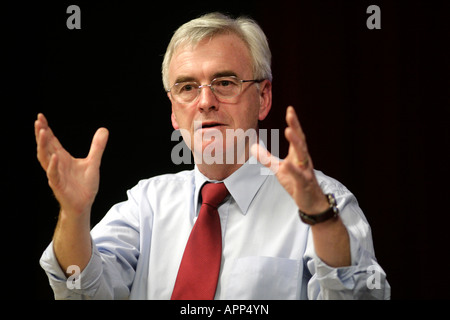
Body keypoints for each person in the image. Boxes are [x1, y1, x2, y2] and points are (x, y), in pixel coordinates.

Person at [37, 12, 390, 299]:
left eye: (225, 82)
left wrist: (321, 220)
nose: (205, 101)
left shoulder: (326, 204)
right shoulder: (147, 205)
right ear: (175, 112)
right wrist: (74, 214)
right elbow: (80, 289)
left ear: (263, 98)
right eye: (188, 87)